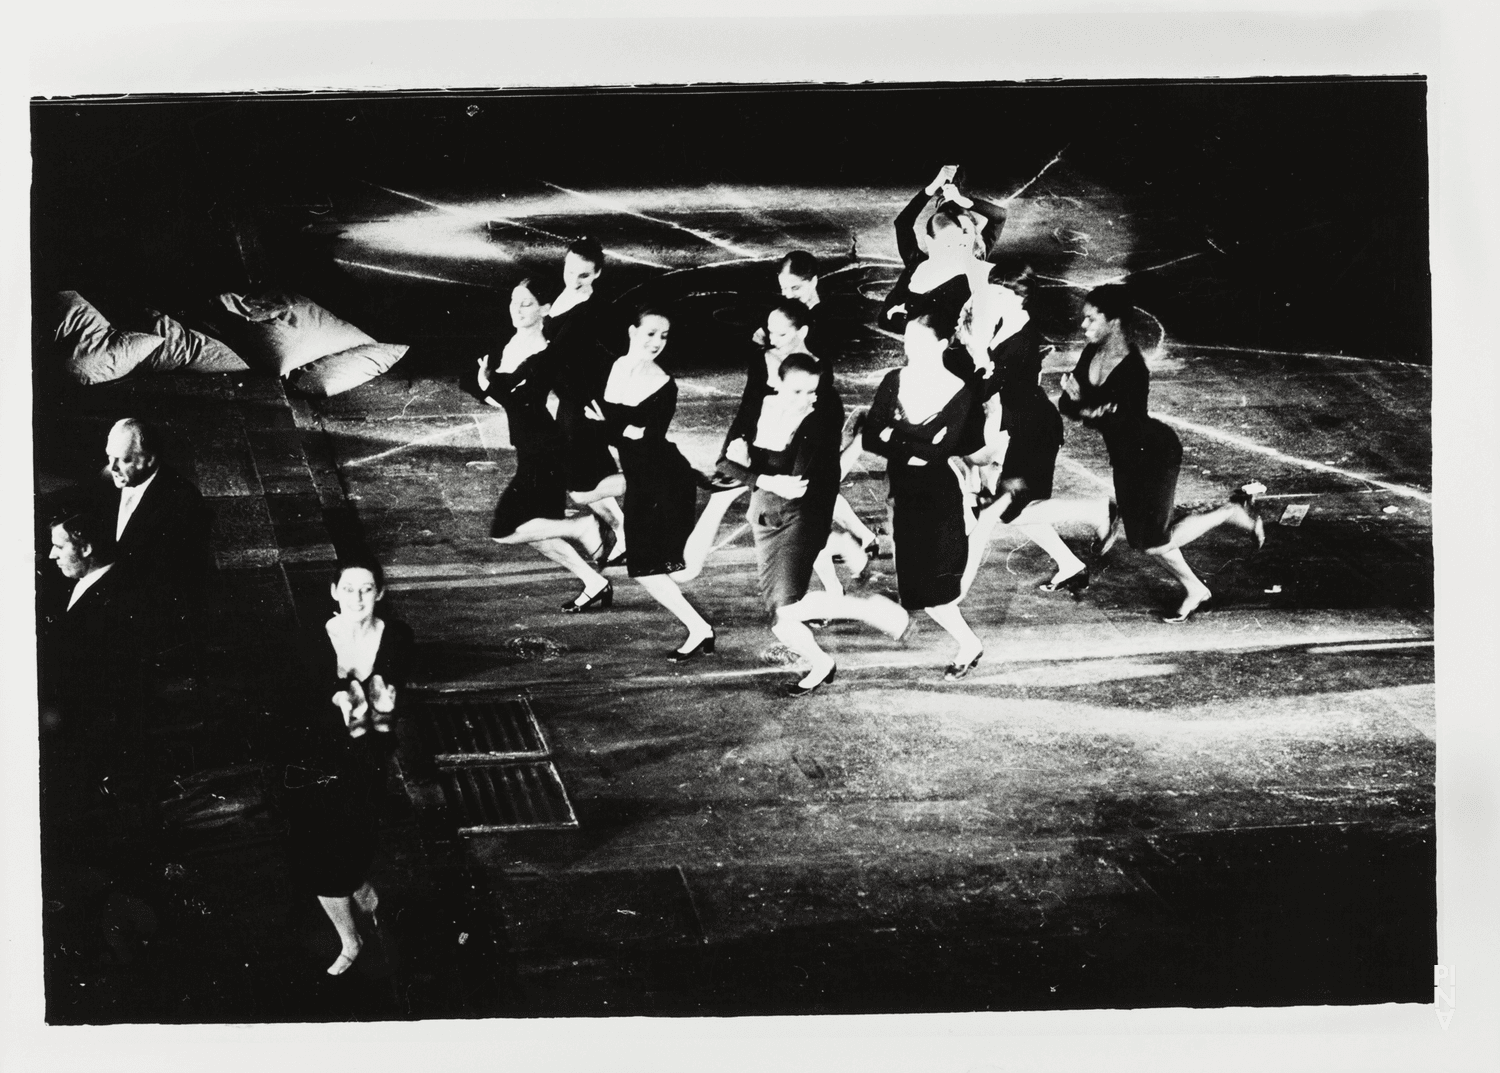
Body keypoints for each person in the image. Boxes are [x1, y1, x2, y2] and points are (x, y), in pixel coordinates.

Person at [1057, 286, 1266, 622]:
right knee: (1144, 540)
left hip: (1153, 456)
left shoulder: (1133, 368)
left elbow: (1121, 421)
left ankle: (1228, 512)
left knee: (1153, 542)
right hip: (1125, 459)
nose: (1084, 325)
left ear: (1113, 321)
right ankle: (1195, 589)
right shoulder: (1092, 353)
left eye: (1091, 318)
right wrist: (1087, 407)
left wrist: (1086, 406)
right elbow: (1068, 405)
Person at [719, 353, 910, 695]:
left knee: (784, 612)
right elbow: (723, 463)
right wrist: (758, 474)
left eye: (812, 392)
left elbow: (793, 483)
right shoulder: (758, 407)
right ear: (777, 384)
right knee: (781, 617)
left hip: (799, 519)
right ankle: (826, 659)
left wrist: (751, 466)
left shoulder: (814, 422)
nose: (806, 400)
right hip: (765, 518)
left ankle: (870, 612)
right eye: (797, 391)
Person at [281, 557, 412, 975]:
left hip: (367, 758)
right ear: (334, 592)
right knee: (320, 854)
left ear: (380, 593)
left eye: (367, 589)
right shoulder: (310, 637)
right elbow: (293, 703)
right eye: (349, 589)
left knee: (355, 841)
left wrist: (380, 710)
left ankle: (363, 890)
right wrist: (335, 697)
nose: (357, 598)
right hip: (317, 757)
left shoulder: (397, 636)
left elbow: (393, 699)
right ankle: (350, 938)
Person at [957, 265, 1116, 597]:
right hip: (1019, 427)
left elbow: (984, 387)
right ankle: (1069, 564)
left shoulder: (1021, 339)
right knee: (1021, 508)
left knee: (1010, 511)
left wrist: (973, 347)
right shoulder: (1006, 327)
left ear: (1019, 299)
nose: (989, 299)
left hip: (1034, 431)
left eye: (998, 294)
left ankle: (1096, 510)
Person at [859, 310, 988, 679]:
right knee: (919, 588)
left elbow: (936, 452)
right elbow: (870, 438)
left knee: (935, 592)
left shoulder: (959, 391)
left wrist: (895, 436)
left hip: (938, 496)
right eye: (907, 339)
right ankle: (968, 643)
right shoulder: (893, 380)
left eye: (918, 341)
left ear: (942, 344)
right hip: (903, 494)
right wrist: (912, 444)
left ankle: (969, 645)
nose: (908, 347)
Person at [584, 309, 716, 659]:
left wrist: (606, 427)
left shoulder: (663, 384)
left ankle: (700, 628)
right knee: (646, 568)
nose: (657, 342)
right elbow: (621, 432)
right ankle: (700, 629)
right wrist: (615, 429)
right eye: (651, 333)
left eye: (664, 336)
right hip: (641, 477)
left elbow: (642, 438)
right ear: (632, 331)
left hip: (663, 479)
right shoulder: (615, 367)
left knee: (663, 569)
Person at [477, 278, 615, 612]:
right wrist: (488, 385)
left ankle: (582, 526)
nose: (517, 309)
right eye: (514, 301)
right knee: (536, 529)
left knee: (504, 530)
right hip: (530, 447)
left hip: (544, 453)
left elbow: (519, 397)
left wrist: (487, 384)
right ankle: (594, 583)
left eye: (526, 303)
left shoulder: (542, 351)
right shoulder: (513, 342)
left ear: (545, 309)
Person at [544, 237, 628, 565]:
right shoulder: (563, 296)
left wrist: (606, 404)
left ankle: (650, 483)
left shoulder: (596, 311)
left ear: (597, 274)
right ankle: (622, 531)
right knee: (583, 476)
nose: (574, 280)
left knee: (580, 482)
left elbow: (614, 359)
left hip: (585, 403)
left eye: (583, 275)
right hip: (569, 401)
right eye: (570, 271)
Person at [877, 165, 1007, 362]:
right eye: (947, 245)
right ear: (931, 242)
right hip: (926, 360)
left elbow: (999, 217)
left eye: (962, 243)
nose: (956, 251)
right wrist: (931, 188)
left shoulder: (974, 260)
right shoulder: (915, 264)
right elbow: (902, 224)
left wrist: (963, 201)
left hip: (964, 361)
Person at [103, 417, 211, 630]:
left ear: (149, 460)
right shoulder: (111, 477)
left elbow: (174, 582)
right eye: (109, 457)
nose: (112, 467)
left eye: (123, 460)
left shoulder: (185, 503)